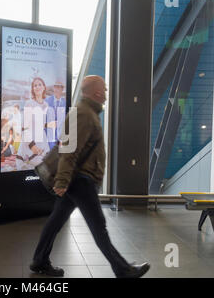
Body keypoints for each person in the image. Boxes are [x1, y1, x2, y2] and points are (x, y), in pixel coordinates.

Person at [30, 75, 150, 278]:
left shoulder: (87, 112)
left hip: (77, 178)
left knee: (56, 220)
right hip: (80, 180)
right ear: (96, 92)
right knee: (98, 226)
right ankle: (123, 270)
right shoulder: (83, 114)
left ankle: (40, 261)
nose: (105, 92)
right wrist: (62, 180)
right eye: (104, 89)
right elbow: (69, 150)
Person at [16, 77, 51, 170]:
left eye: (40, 84)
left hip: (42, 141)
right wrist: (32, 146)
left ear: (44, 87)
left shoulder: (46, 105)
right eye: (35, 85)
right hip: (29, 143)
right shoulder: (29, 104)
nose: (37, 87)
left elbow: (39, 124)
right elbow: (24, 128)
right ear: (32, 89)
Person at [46, 81, 66, 149]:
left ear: (62, 89)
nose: (56, 89)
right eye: (55, 87)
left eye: (58, 87)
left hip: (60, 139)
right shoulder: (46, 101)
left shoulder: (65, 103)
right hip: (48, 138)